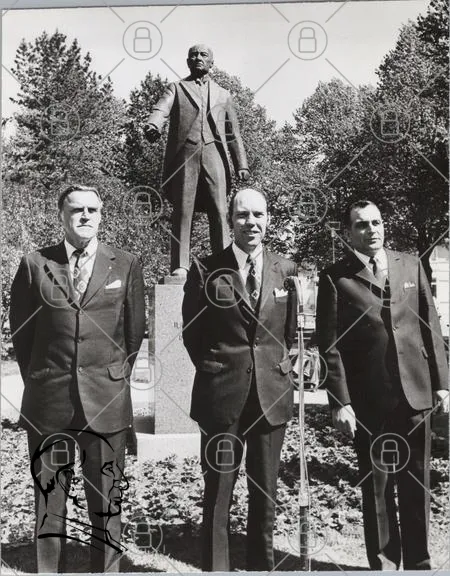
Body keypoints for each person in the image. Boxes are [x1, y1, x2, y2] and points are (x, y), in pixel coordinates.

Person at [9, 184, 146, 572]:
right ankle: (50, 569)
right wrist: (43, 377)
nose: (85, 216)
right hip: (50, 399)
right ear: (62, 216)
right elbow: (23, 335)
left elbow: (134, 334)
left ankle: (106, 569)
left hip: (106, 400)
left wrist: (112, 378)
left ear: (101, 215)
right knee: (50, 496)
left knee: (107, 498)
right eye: (76, 210)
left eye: (92, 210)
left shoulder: (126, 264)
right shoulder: (35, 264)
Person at [316, 200, 449, 570]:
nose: (371, 230)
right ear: (348, 232)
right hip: (368, 401)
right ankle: (384, 566)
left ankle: (419, 564)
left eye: (376, 222)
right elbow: (329, 346)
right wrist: (340, 401)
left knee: (417, 484)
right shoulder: (335, 278)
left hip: (415, 395)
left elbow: (430, 325)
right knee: (377, 489)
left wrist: (442, 383)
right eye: (361, 224)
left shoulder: (411, 265)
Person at [182, 188, 297, 571]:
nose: (251, 222)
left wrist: (274, 368)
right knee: (218, 490)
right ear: (230, 220)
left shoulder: (287, 270)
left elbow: (287, 332)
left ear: (268, 219)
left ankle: (261, 566)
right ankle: (216, 567)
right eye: (243, 215)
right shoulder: (205, 268)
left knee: (265, 490)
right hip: (222, 395)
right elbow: (193, 334)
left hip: (271, 394)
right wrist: (218, 368)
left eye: (258, 215)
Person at [145, 44, 250, 276]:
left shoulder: (223, 94)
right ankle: (180, 265)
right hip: (186, 156)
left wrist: (241, 164)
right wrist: (153, 124)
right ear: (187, 61)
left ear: (212, 62)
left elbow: (233, 133)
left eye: (203, 55)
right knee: (183, 210)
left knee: (220, 210)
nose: (198, 58)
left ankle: (224, 265)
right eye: (193, 55)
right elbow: (161, 108)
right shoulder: (177, 88)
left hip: (215, 155)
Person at [30, 429, 129, 560]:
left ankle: (105, 568)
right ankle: (49, 567)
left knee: (106, 503)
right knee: (48, 501)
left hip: (105, 419)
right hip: (50, 419)